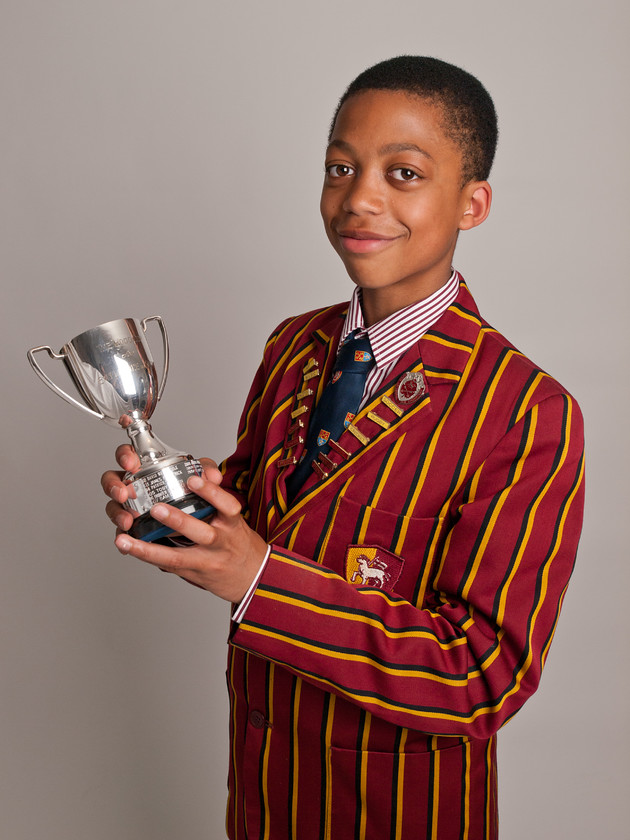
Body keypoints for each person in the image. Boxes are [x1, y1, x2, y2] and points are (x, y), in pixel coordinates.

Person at [102, 56, 585, 840]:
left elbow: (480, 681)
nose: (360, 197)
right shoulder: (293, 345)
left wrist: (257, 577)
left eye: (403, 173)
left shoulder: (527, 411)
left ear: (473, 203)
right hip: (263, 800)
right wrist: (180, 513)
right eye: (340, 167)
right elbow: (262, 526)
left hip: (402, 816)